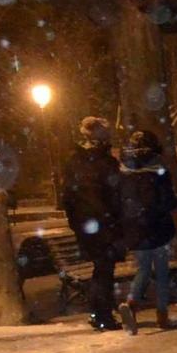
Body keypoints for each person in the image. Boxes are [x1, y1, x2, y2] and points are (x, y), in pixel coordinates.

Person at [58, 116, 122, 330]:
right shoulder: (105, 163)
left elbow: (68, 197)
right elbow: (113, 195)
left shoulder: (74, 162)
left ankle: (100, 312)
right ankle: (102, 314)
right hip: (103, 225)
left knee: (101, 268)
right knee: (104, 269)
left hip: (87, 225)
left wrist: (78, 222)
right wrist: (112, 219)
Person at [115, 129, 177, 334]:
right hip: (157, 226)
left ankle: (132, 302)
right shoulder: (158, 170)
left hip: (135, 228)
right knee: (161, 271)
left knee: (143, 268)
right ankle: (162, 315)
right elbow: (167, 200)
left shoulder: (124, 172)